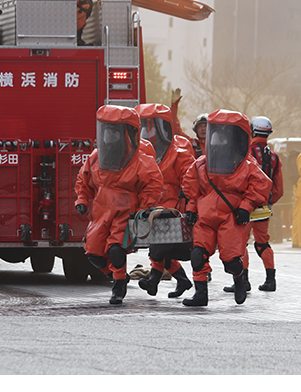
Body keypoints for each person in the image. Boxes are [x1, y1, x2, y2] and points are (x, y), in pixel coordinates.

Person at [180, 109, 272, 306]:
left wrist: (246, 207)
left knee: (231, 260)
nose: (217, 141)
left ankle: (239, 279)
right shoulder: (202, 164)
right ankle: (200, 294)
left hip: (231, 217)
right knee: (198, 255)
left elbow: (262, 185)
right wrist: (190, 208)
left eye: (223, 136)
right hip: (205, 217)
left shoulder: (247, 165)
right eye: (216, 136)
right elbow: (192, 187)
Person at [74, 105, 164, 304]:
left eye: (114, 131)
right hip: (101, 212)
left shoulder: (141, 160)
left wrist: (142, 211)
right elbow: (83, 180)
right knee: (94, 254)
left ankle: (118, 286)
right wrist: (81, 199)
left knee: (116, 249)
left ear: (127, 133)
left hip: (126, 213)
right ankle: (117, 276)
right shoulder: (96, 158)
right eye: (107, 131)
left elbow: (153, 186)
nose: (109, 136)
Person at [133, 103, 197, 299]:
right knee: (158, 246)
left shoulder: (180, 153)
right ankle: (181, 280)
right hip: (154, 205)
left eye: (151, 127)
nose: (147, 132)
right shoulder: (143, 154)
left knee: (159, 247)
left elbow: (190, 178)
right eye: (143, 127)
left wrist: (189, 204)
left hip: (173, 208)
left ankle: (154, 279)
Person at [224, 116, 283, 293]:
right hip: (264, 207)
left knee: (241, 243)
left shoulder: (245, 151)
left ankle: (243, 281)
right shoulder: (274, 157)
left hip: (245, 205)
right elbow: (279, 188)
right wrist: (267, 202)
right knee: (262, 243)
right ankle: (270, 281)